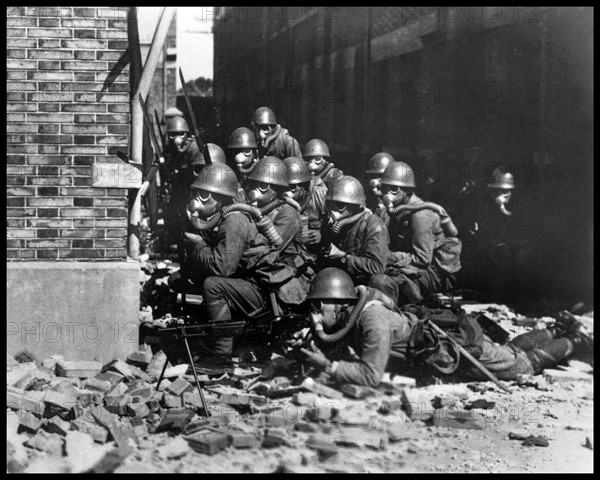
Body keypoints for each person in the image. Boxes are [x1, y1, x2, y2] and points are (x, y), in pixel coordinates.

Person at [298, 268, 594, 387]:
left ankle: (575, 340)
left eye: (316, 307)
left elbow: (370, 374)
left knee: (522, 366)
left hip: (457, 349)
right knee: (511, 349)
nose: (314, 315)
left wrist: (329, 366)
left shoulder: (371, 320)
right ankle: (556, 329)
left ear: (338, 303)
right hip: (443, 341)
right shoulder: (358, 310)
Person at [370, 161, 462, 306]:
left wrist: (389, 256)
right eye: (385, 187)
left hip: (435, 274)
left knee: (386, 279)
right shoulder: (398, 209)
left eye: (394, 189)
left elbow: (423, 258)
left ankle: (414, 309)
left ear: (407, 190)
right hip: (418, 266)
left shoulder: (420, 216)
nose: (388, 193)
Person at [318, 175, 395, 286]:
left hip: (366, 284)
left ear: (354, 207)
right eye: (329, 204)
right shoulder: (332, 224)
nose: (332, 210)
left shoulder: (373, 224)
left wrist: (343, 257)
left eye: (339, 205)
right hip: (342, 280)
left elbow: (376, 267)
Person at [365, 152, 395, 216]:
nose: (377, 182)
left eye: (381, 176)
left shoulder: (398, 206)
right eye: (373, 176)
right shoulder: (367, 202)